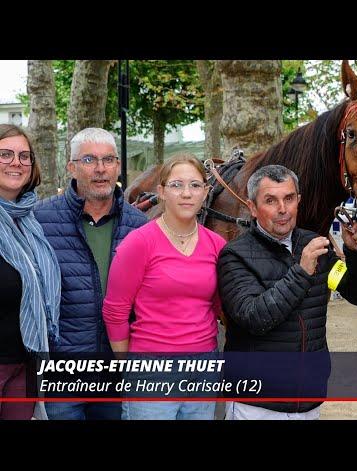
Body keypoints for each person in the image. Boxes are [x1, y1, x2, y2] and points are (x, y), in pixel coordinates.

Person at [217, 165, 357, 420]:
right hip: (257, 406)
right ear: (252, 207)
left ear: (298, 201)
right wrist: (301, 272)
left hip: (309, 402)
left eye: (289, 198)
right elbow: (254, 317)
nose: (282, 209)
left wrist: (356, 253)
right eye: (270, 200)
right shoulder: (235, 255)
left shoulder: (314, 245)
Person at [33, 127, 147, 420]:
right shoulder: (41, 220)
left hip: (117, 372)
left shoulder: (140, 225)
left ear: (118, 166)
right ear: (71, 167)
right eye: (89, 160)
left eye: (108, 160)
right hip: (62, 373)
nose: (100, 169)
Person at [103, 153, 226, 420]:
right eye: (176, 185)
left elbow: (219, 306)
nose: (186, 193)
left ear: (205, 193)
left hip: (203, 368)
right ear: (161, 192)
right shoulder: (140, 243)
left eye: (195, 185)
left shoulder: (216, 245)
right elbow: (115, 311)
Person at [0, 124, 60, 420]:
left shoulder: (30, 222)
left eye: (25, 156)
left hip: (26, 363)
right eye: (5, 154)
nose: (16, 162)